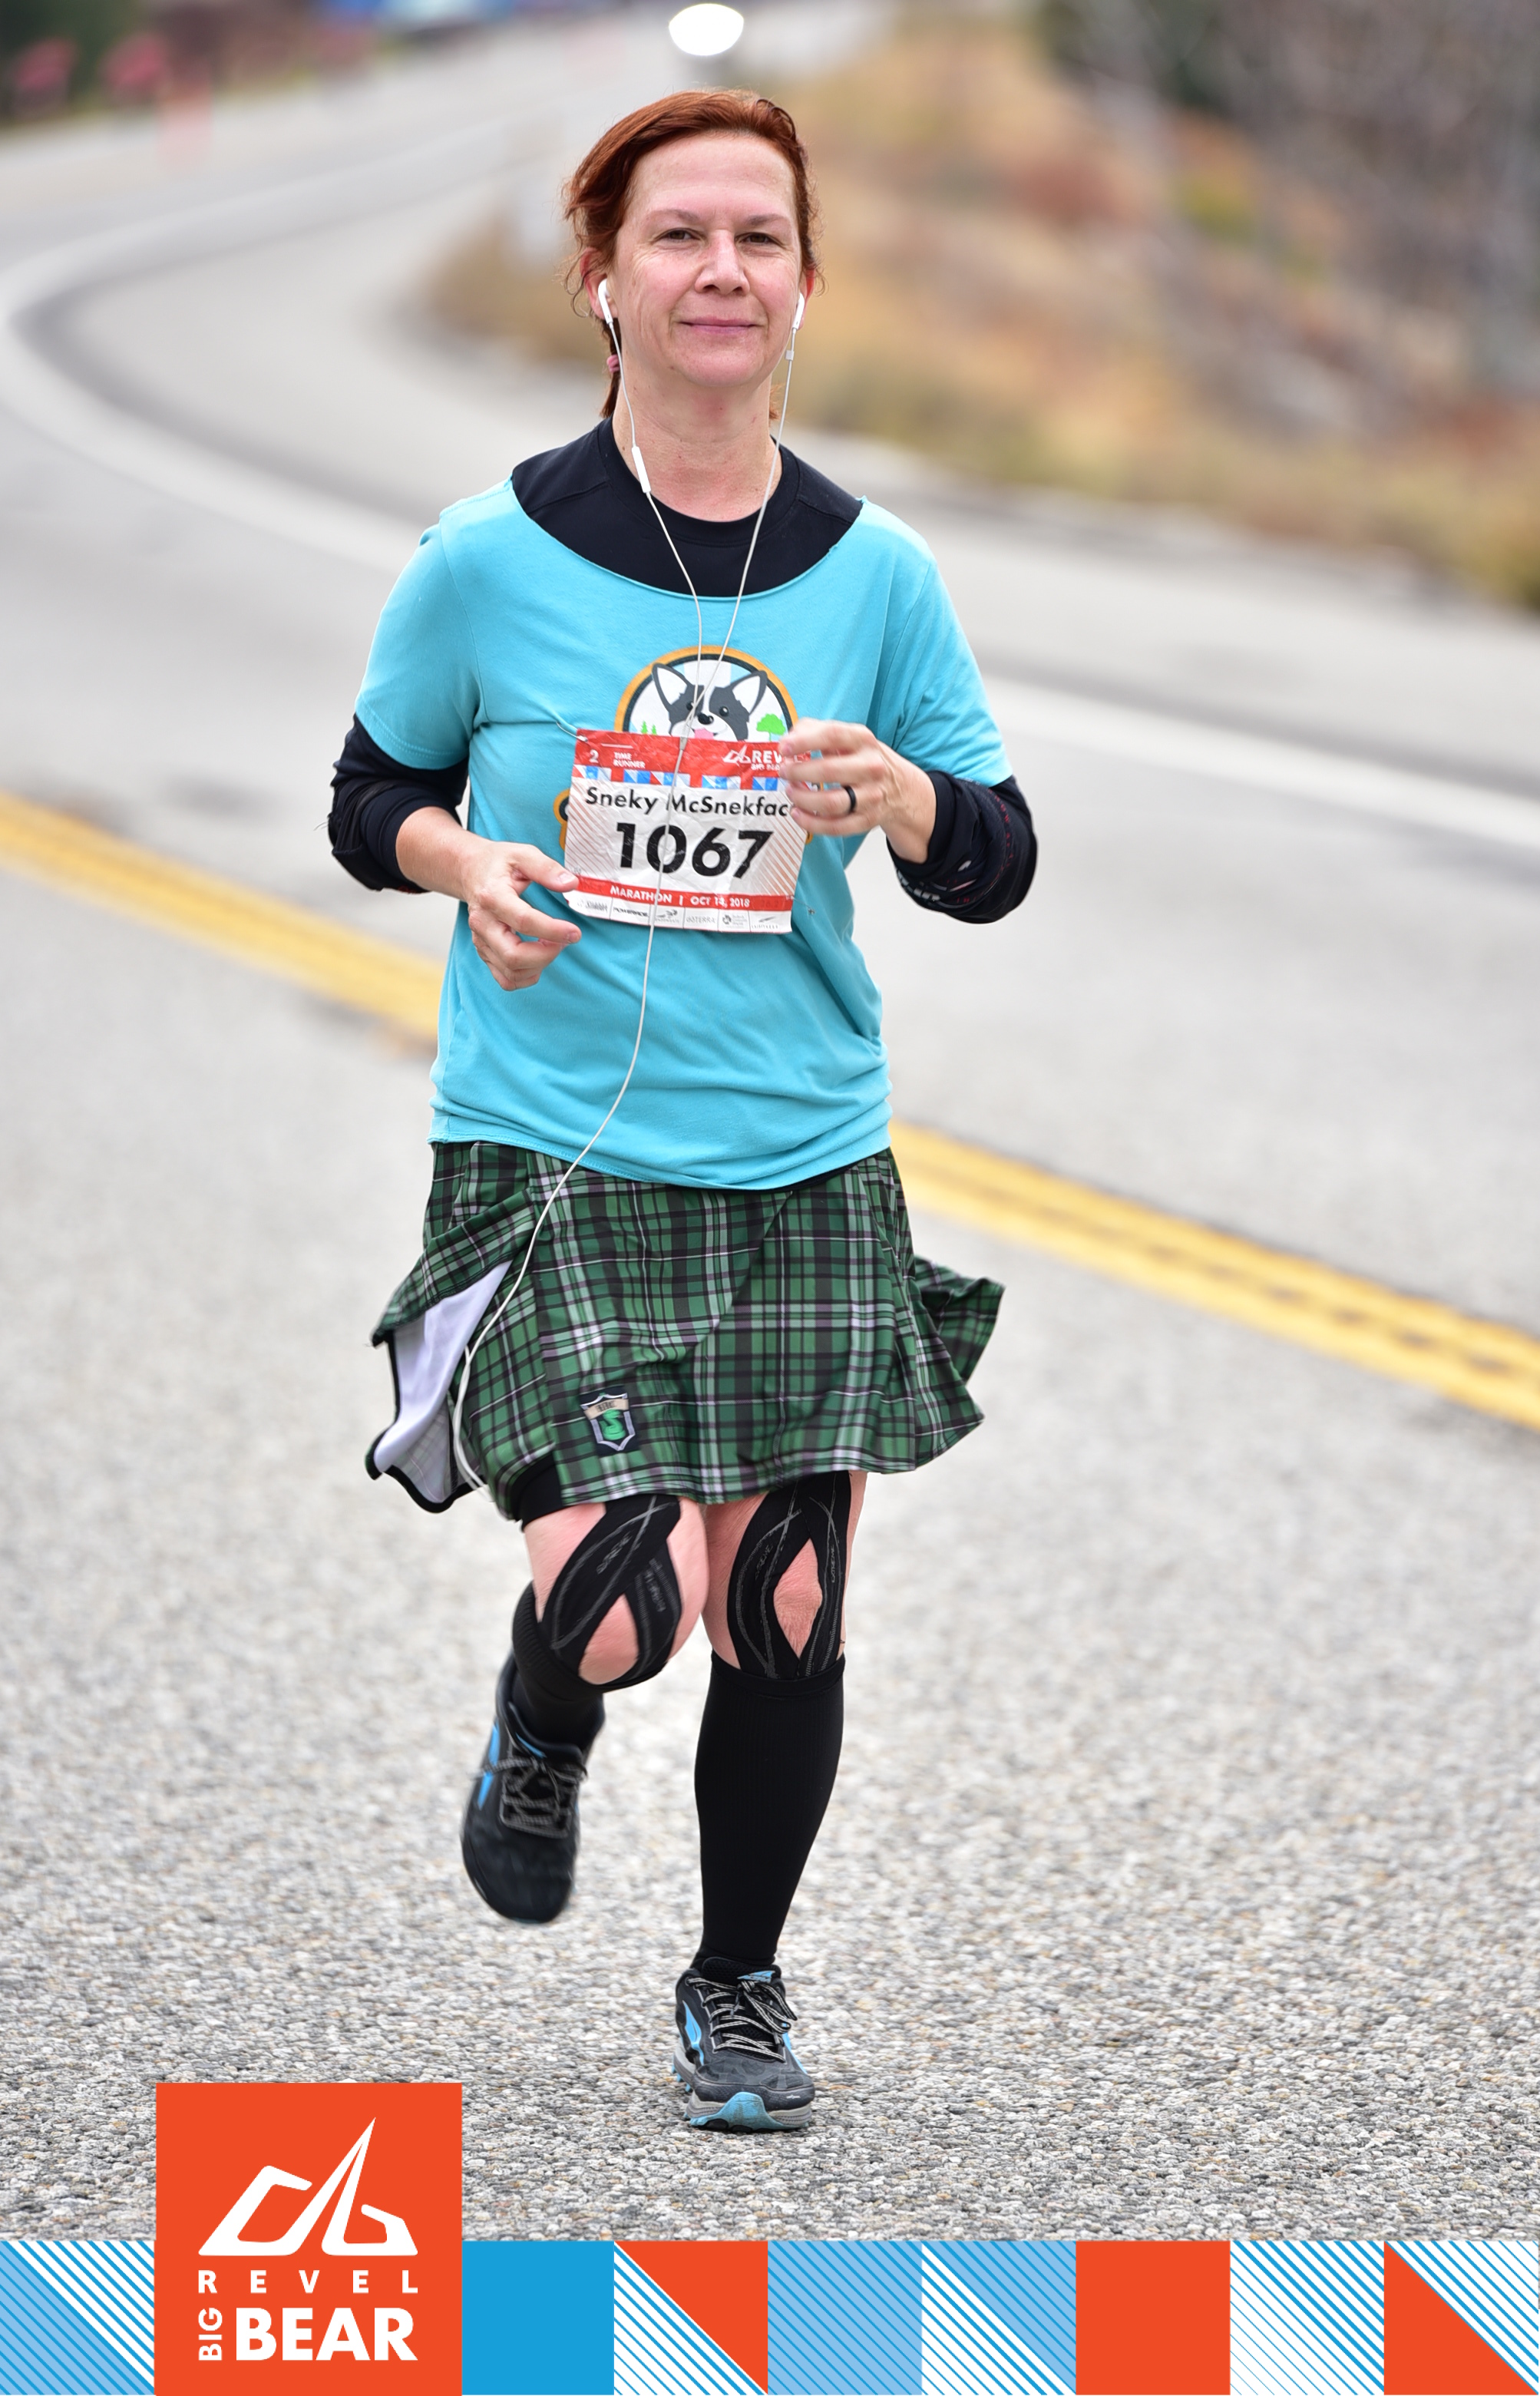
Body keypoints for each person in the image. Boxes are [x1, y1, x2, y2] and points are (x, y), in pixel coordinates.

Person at [329, 88, 1035, 2133]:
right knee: (627, 1600)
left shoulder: (875, 573)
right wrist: (463, 862)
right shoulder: (487, 557)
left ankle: (737, 1986)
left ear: (805, 287)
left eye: (759, 238)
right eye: (678, 236)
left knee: (785, 1604)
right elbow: (369, 795)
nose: (722, 270)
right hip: (556, 1149)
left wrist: (909, 801)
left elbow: (996, 854)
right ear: (602, 281)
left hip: (800, 1152)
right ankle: (541, 1714)